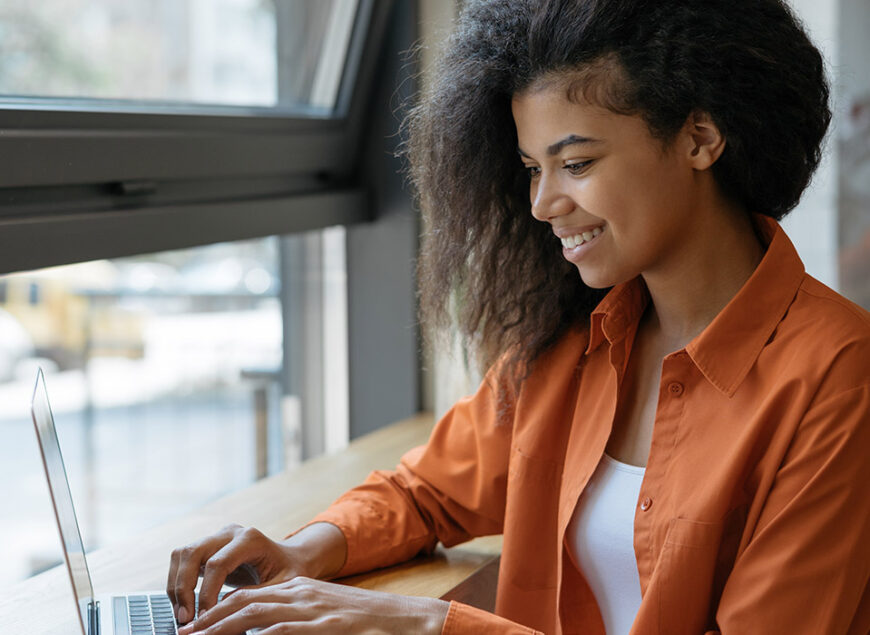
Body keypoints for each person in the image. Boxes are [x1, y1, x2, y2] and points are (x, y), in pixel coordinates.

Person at [167, 0, 870, 633]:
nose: (543, 203)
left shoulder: (840, 375)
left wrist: (429, 625)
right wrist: (300, 550)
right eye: (533, 168)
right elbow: (426, 490)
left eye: (577, 161)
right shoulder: (574, 343)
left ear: (700, 138)